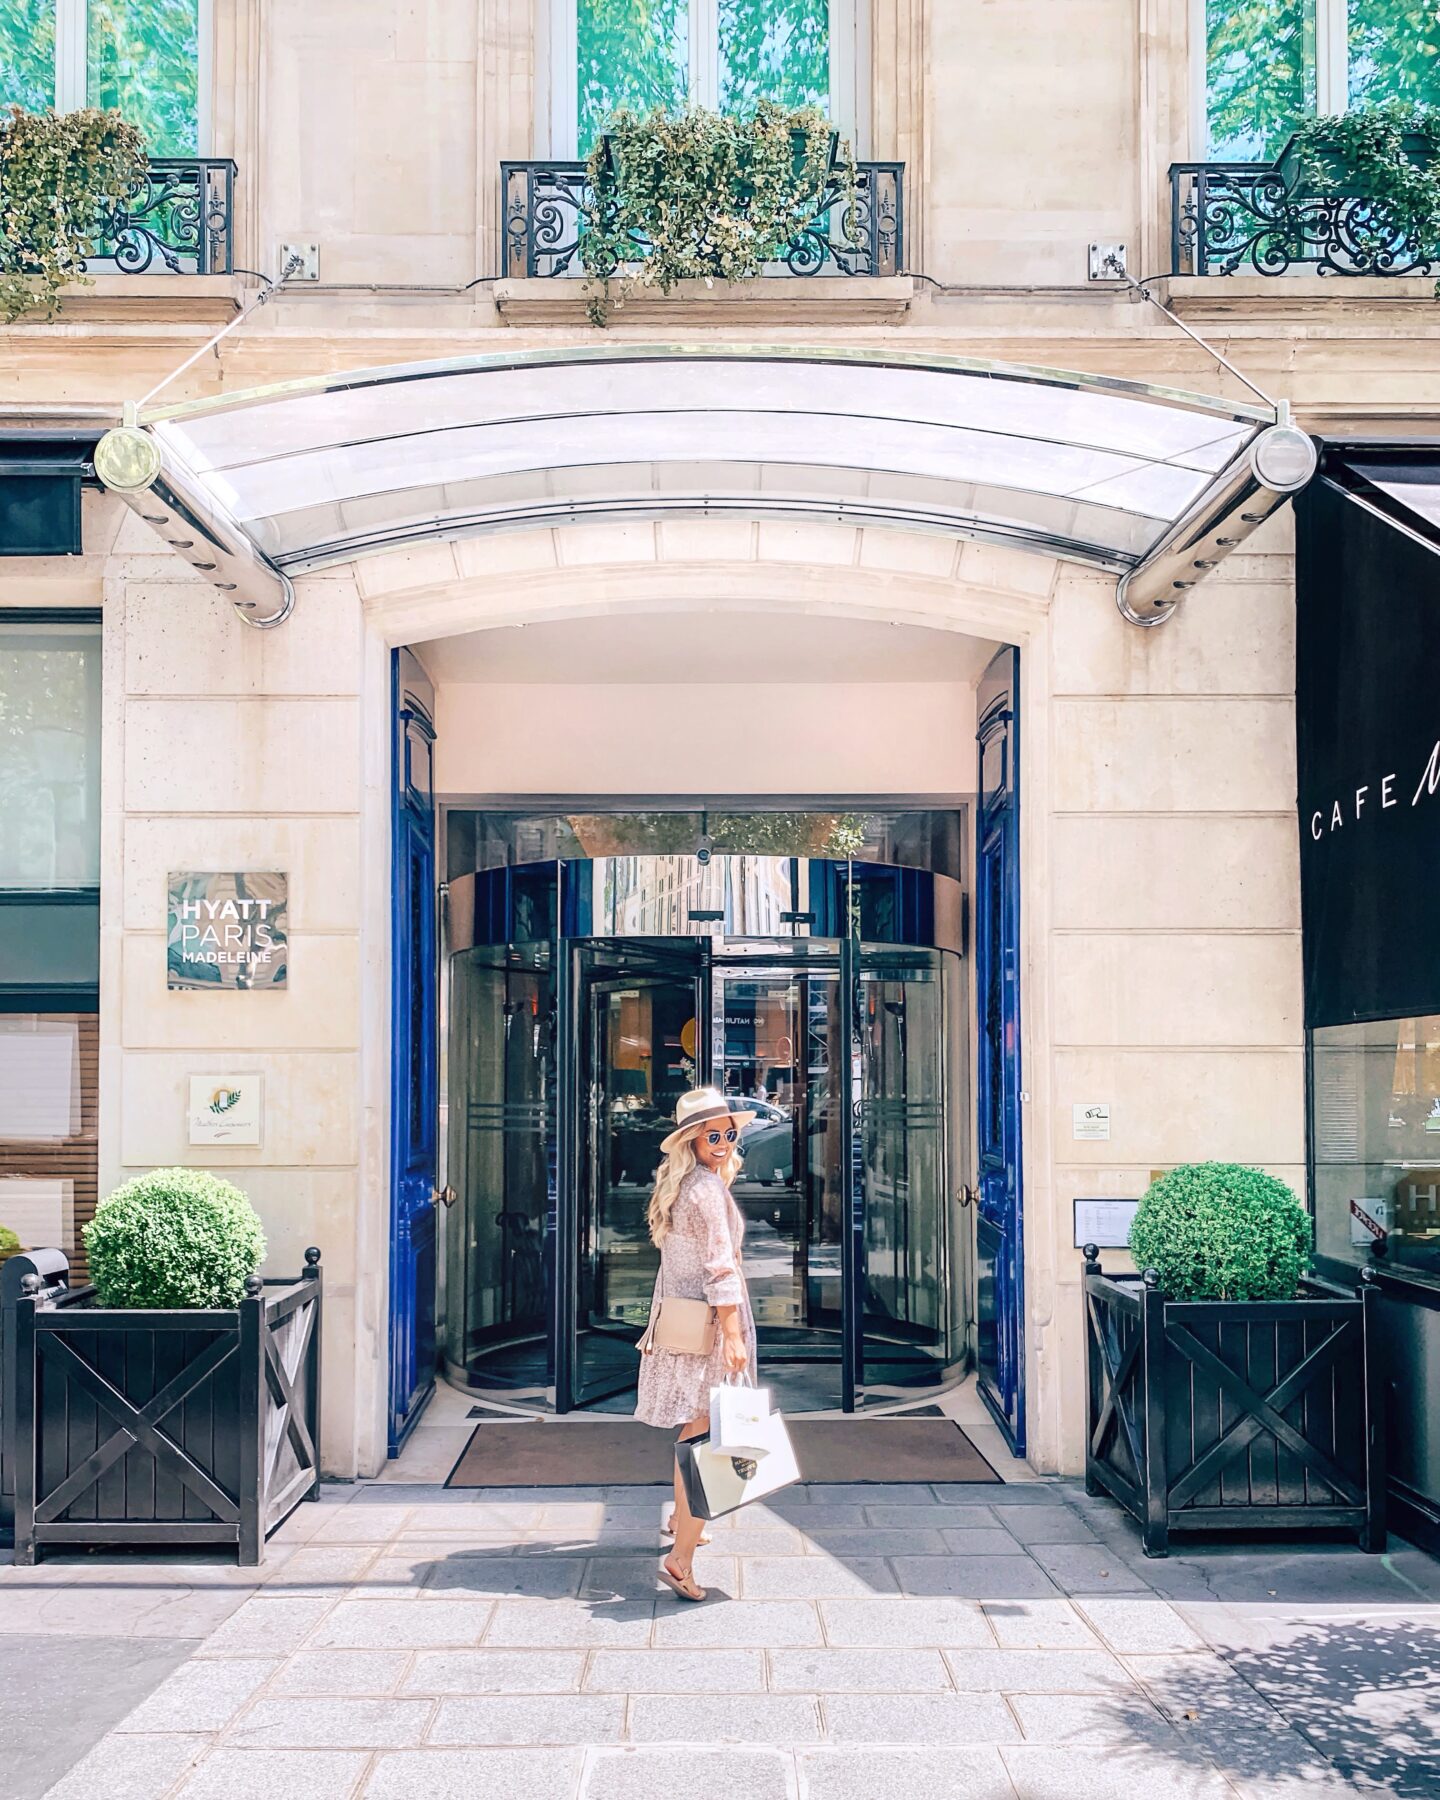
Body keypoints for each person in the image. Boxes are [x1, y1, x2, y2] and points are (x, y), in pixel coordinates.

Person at [635, 1085, 757, 1601]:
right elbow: (719, 1266)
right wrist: (732, 1335)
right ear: (691, 1139)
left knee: (694, 1426)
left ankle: (685, 1525)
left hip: (681, 1321)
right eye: (714, 1134)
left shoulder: (684, 1185)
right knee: (707, 1436)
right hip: (707, 1327)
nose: (725, 1141)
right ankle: (680, 1558)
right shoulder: (706, 1190)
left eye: (730, 1133)